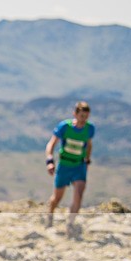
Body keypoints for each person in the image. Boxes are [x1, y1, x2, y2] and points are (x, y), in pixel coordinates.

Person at [45, 101, 95, 237]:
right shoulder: (65, 127)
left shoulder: (90, 129)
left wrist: (87, 159)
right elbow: (51, 143)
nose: (83, 119)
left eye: (86, 116)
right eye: (81, 116)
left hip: (79, 166)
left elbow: (89, 144)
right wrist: (50, 160)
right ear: (75, 114)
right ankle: (50, 215)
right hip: (65, 165)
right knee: (57, 197)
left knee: (78, 195)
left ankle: (70, 224)